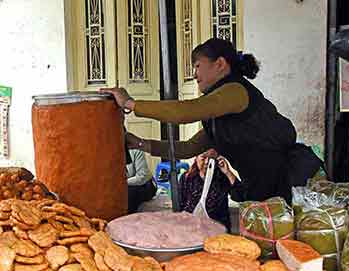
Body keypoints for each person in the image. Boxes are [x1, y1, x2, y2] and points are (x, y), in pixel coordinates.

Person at [102, 38, 322, 203]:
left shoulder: (235, 91)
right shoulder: (219, 118)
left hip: (292, 185)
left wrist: (130, 103)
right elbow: (187, 148)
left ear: (220, 64)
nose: (195, 73)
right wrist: (140, 143)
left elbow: (185, 112)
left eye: (197, 65)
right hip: (261, 190)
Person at [179, 149, 241, 231]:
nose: (206, 162)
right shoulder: (187, 177)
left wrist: (228, 172)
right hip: (193, 230)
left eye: (211, 158)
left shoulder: (222, 177)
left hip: (219, 232)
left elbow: (239, 196)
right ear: (196, 158)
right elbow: (180, 206)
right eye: (203, 157)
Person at [126, 149, 157, 214]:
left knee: (129, 195)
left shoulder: (135, 150)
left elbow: (142, 176)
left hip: (144, 183)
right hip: (123, 185)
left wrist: (120, 184)